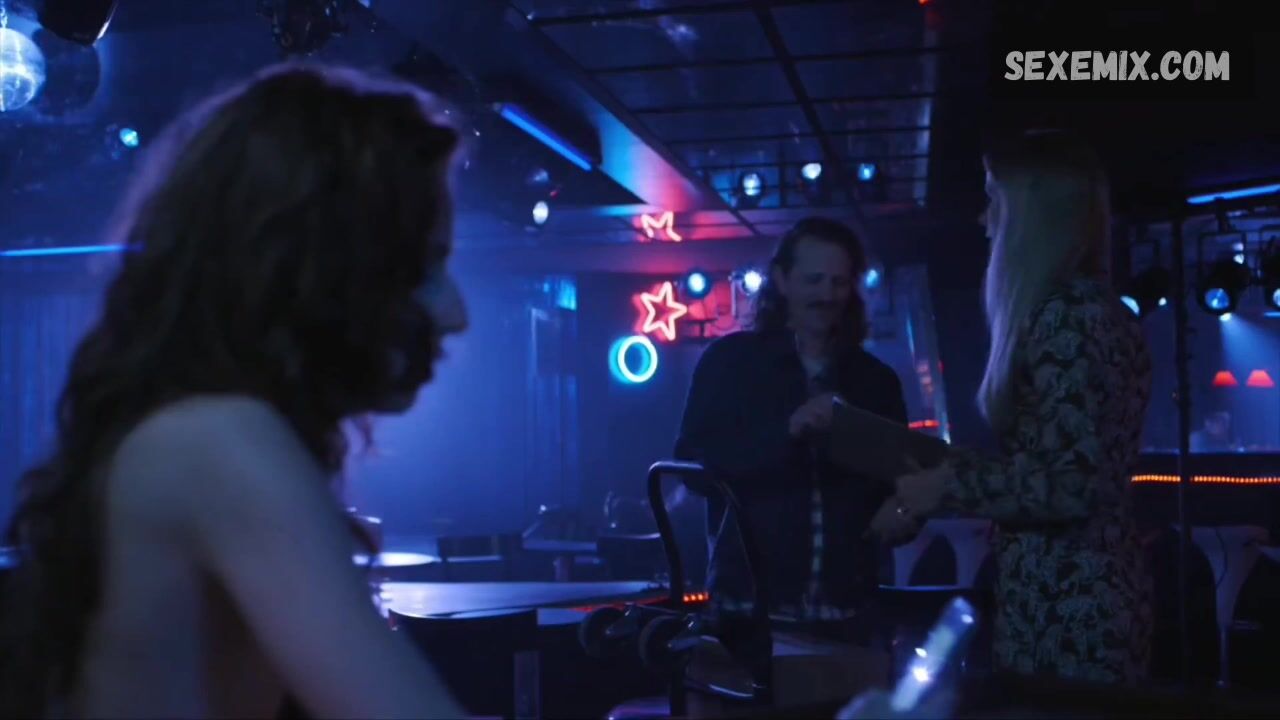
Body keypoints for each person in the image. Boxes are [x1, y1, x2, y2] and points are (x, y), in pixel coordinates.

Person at [0, 64, 469, 718]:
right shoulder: (222, 442)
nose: (455, 314)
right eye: (424, 266)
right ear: (322, 265)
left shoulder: (190, 430)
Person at [873, 130, 1154, 685]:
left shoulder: (1069, 319)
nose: (984, 221)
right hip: (1073, 597)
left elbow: (1069, 486)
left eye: (993, 201)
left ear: (1029, 216)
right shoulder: (1087, 311)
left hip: (1070, 609)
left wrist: (946, 486)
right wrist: (944, 474)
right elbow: (1058, 468)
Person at [675, 217, 909, 642]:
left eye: (838, 282)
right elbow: (693, 467)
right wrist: (787, 432)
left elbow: (900, 480)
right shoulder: (729, 363)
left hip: (851, 613)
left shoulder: (876, 380)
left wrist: (904, 510)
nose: (827, 295)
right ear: (781, 280)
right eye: (814, 280)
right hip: (748, 613)